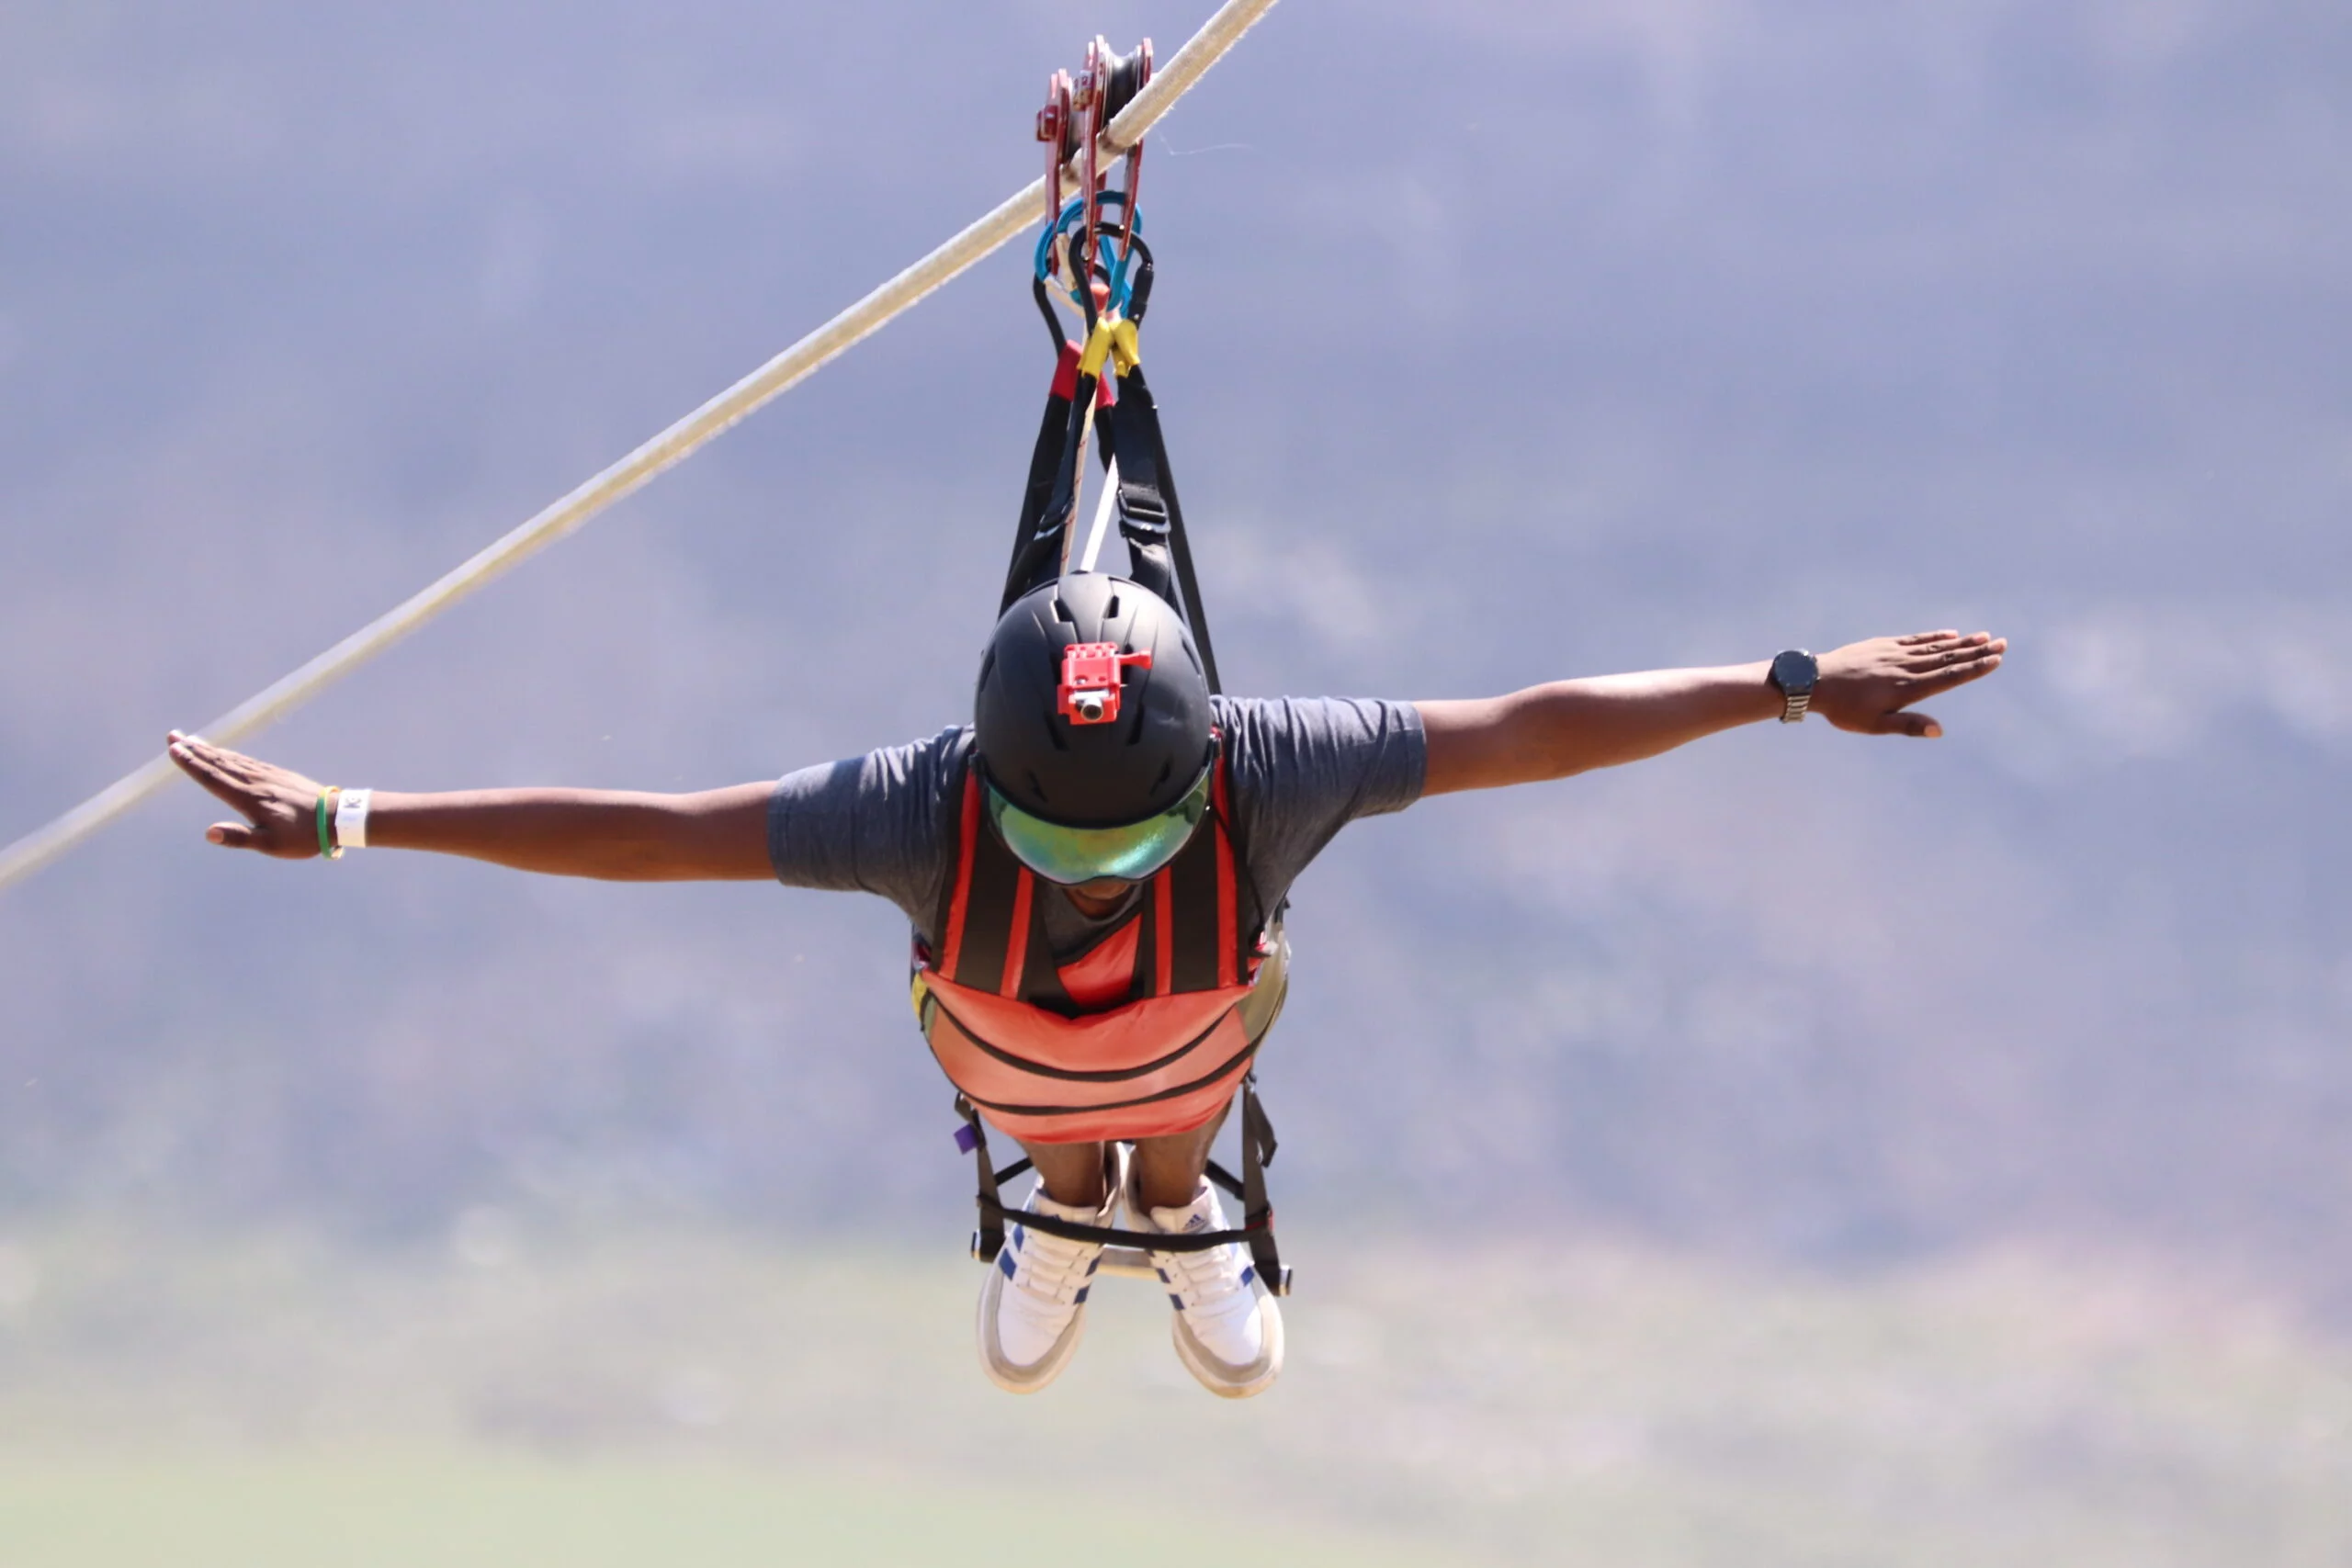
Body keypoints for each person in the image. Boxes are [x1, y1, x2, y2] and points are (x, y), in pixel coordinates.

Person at [163, 577, 2004, 1399]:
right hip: (1034, 1067)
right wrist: (353, 817)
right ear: (994, 782)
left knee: (1173, 1026)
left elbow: (1526, 727)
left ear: (1197, 769)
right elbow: (646, 832)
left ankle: (1161, 1200)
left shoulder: (1264, 764)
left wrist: (1783, 684)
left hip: (1153, 1053)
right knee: (1102, 1038)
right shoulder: (921, 807)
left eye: (1122, 843)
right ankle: (1080, 1204)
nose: (1093, 872)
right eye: (1062, 845)